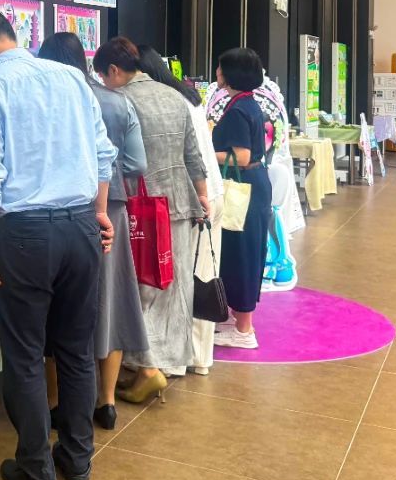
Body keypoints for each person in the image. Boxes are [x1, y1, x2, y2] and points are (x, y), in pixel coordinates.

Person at [0, 7, 116, 480]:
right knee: (75, 348)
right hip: (81, 226)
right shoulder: (71, 78)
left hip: (25, 234)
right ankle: (78, 458)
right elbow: (103, 153)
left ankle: (36, 469)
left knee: (25, 356)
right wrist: (100, 212)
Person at [37, 33, 147, 430]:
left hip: (58, 212)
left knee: (58, 305)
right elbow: (137, 163)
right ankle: (107, 401)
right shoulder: (116, 101)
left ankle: (55, 402)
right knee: (110, 301)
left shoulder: (44, 101)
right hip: (110, 208)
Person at [94, 38, 208, 404]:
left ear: (114, 70)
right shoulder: (175, 96)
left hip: (140, 206)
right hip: (181, 203)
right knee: (171, 288)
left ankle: (145, 368)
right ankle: (164, 364)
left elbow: (120, 160)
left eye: (103, 76)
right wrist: (203, 196)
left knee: (137, 289)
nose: (103, 83)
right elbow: (192, 155)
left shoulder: (121, 101)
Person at [136, 45, 224, 377]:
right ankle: (199, 358)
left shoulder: (164, 101)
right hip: (210, 192)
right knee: (200, 277)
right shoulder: (187, 96)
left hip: (191, 197)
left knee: (181, 283)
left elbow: (187, 155)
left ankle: (174, 363)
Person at [211, 48, 273, 349]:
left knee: (243, 253)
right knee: (238, 251)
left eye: (221, 67)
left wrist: (205, 152)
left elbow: (242, 156)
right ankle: (234, 318)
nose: (217, 72)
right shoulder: (246, 103)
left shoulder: (238, 109)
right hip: (251, 186)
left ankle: (244, 329)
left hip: (244, 188)